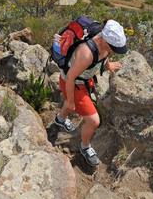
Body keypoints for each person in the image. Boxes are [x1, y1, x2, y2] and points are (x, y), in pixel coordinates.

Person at [54, 19, 127, 166]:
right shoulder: (86, 53)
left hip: (84, 82)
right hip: (74, 84)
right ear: (105, 40)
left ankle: (60, 119)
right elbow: (70, 77)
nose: (114, 51)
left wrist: (107, 64)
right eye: (113, 47)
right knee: (94, 121)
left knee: (76, 109)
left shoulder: (104, 43)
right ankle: (85, 147)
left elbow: (105, 54)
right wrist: (70, 100)